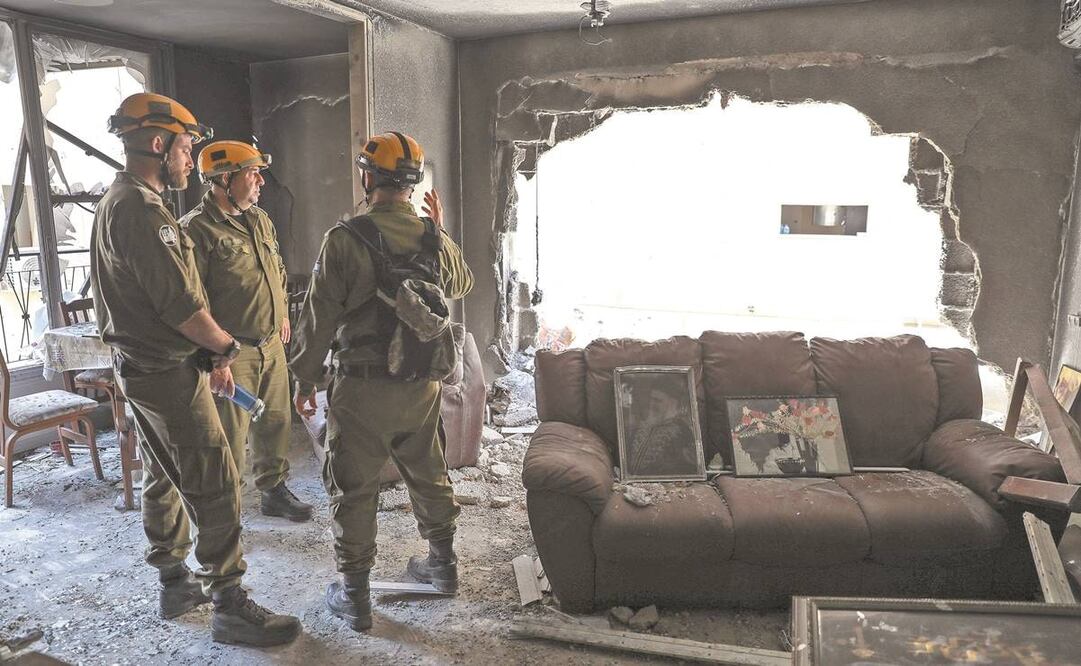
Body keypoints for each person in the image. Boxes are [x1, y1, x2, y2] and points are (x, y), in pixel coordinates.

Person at [90, 92, 300, 647]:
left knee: (168, 472)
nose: (190, 160)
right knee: (217, 479)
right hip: (165, 370)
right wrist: (224, 348)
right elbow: (182, 305)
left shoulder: (124, 200)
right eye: (185, 148)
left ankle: (175, 580)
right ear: (157, 144)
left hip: (147, 366)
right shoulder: (141, 209)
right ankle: (229, 603)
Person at [289, 131, 473, 632]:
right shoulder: (431, 234)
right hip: (420, 383)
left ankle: (355, 596)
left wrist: (304, 381)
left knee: (354, 486)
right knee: (429, 470)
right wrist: (441, 230)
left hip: (362, 388)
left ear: (367, 178)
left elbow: (318, 318)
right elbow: (460, 285)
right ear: (412, 186)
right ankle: (443, 564)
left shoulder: (345, 240)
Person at [179, 140, 313, 522]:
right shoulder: (196, 231)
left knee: (275, 422)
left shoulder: (259, 220)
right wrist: (215, 360)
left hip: (271, 345)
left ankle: (273, 490)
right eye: (252, 173)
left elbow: (278, 272)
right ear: (224, 179)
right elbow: (193, 304)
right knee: (228, 436)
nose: (260, 182)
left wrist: (282, 313)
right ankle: (226, 511)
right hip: (231, 354)